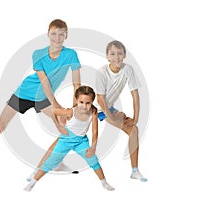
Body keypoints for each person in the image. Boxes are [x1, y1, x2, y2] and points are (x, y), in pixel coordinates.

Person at [0, 19, 81, 174]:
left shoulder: (71, 55)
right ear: (48, 34)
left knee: (65, 129)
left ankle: (57, 163)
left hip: (43, 98)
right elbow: (45, 83)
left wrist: (75, 108)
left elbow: (77, 85)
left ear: (66, 36)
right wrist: (58, 107)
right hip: (25, 93)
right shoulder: (38, 54)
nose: (57, 38)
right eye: (54, 33)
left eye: (62, 34)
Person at [24, 86, 115, 191]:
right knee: (50, 162)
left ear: (92, 102)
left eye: (88, 103)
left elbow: (95, 131)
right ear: (76, 100)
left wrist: (93, 147)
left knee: (93, 160)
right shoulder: (70, 112)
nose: (84, 106)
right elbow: (54, 112)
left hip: (81, 142)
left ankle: (104, 183)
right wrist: (59, 126)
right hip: (66, 140)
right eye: (81, 102)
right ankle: (32, 182)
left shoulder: (93, 112)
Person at [95, 40, 147, 182]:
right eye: (112, 54)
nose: (116, 57)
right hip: (93, 108)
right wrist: (111, 117)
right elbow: (100, 99)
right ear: (107, 56)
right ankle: (51, 163)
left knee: (134, 129)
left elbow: (135, 94)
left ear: (124, 55)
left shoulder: (128, 69)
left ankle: (135, 171)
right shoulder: (102, 72)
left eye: (119, 53)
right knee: (72, 133)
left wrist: (135, 118)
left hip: (108, 108)